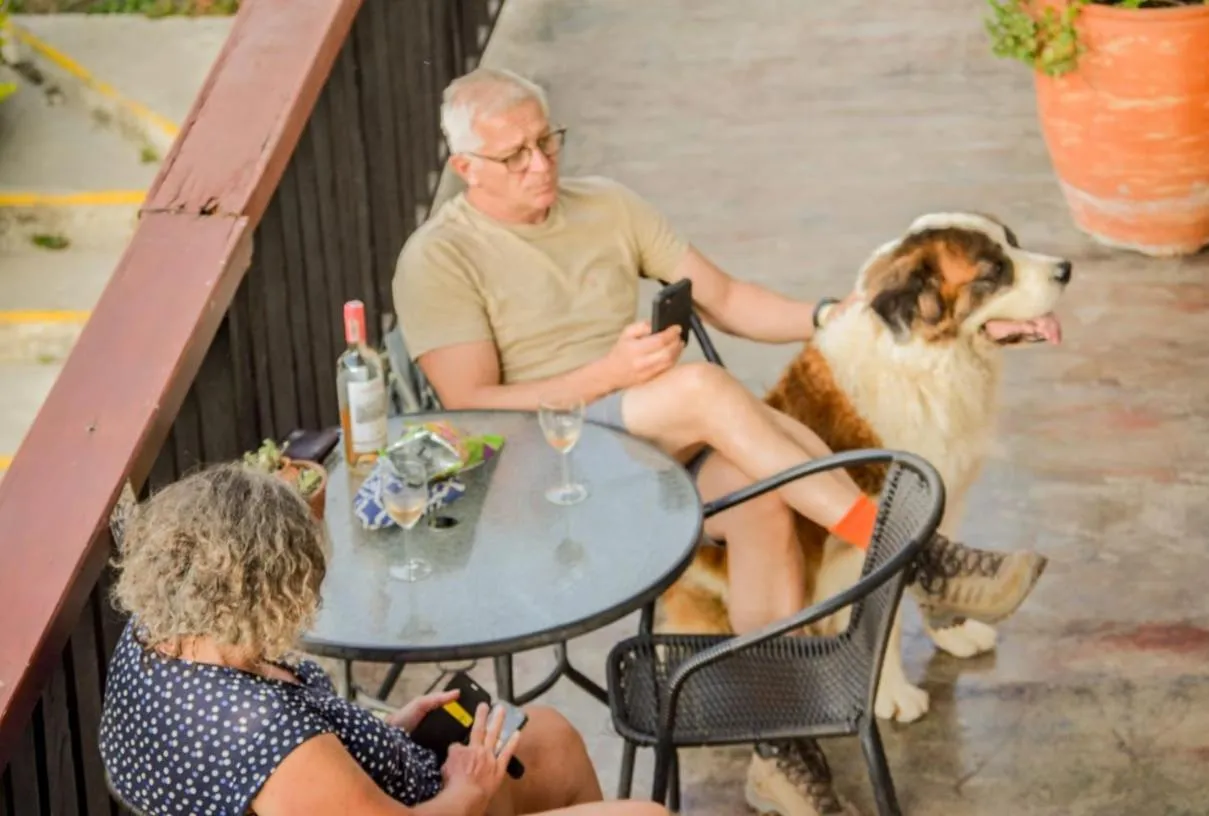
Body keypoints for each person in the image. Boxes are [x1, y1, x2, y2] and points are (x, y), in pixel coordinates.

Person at [391, 67, 1047, 815]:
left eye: (547, 141)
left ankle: (777, 749)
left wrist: (834, 312)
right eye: (515, 155)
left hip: (650, 444)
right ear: (465, 167)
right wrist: (607, 372)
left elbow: (727, 298)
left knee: (761, 494)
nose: (541, 164)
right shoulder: (438, 257)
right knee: (704, 390)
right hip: (543, 474)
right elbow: (472, 407)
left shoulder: (606, 205)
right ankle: (917, 555)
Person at [99, 464, 669, 816]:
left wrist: (384, 729)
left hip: (379, 784)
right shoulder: (260, 736)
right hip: (427, 807)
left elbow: (316, 768)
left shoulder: (156, 630)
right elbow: (302, 771)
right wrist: (467, 789)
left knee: (553, 735)